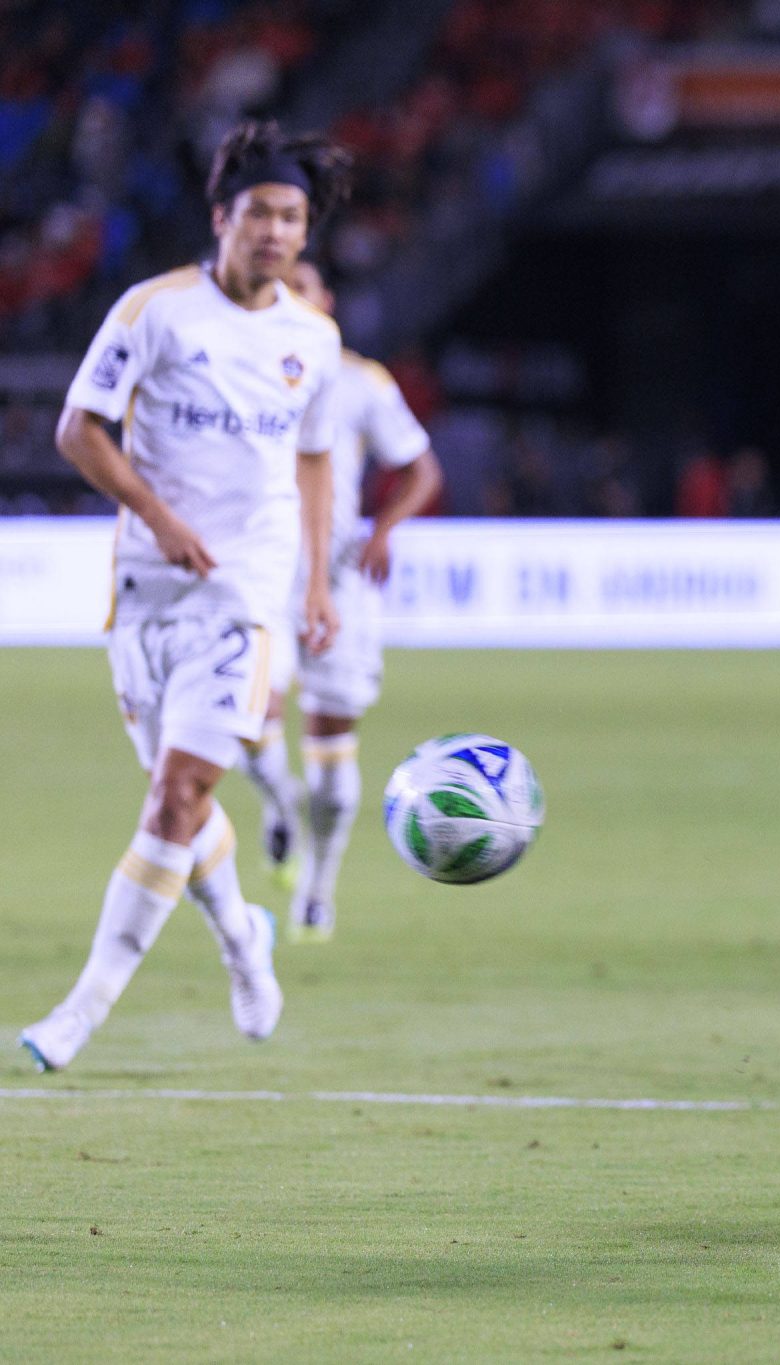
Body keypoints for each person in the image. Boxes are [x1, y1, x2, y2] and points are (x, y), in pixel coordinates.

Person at [19, 120, 350, 1071]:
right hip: (145, 596)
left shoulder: (313, 341)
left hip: (245, 597)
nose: (276, 232)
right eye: (259, 214)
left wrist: (317, 577)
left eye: (291, 217)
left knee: (178, 793)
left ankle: (77, 1014)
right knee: (184, 812)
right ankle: (245, 939)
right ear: (223, 218)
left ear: (303, 231)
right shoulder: (155, 312)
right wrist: (158, 517)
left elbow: (318, 458)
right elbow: (79, 431)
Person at [238, 258, 443, 941]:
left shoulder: (361, 382)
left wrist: (383, 530)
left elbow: (421, 469)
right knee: (246, 727)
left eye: (304, 287)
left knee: (332, 753)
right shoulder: (238, 370)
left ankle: (319, 887)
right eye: (280, 288)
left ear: (326, 302)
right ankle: (280, 805)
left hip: (338, 579)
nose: (291, 298)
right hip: (260, 575)